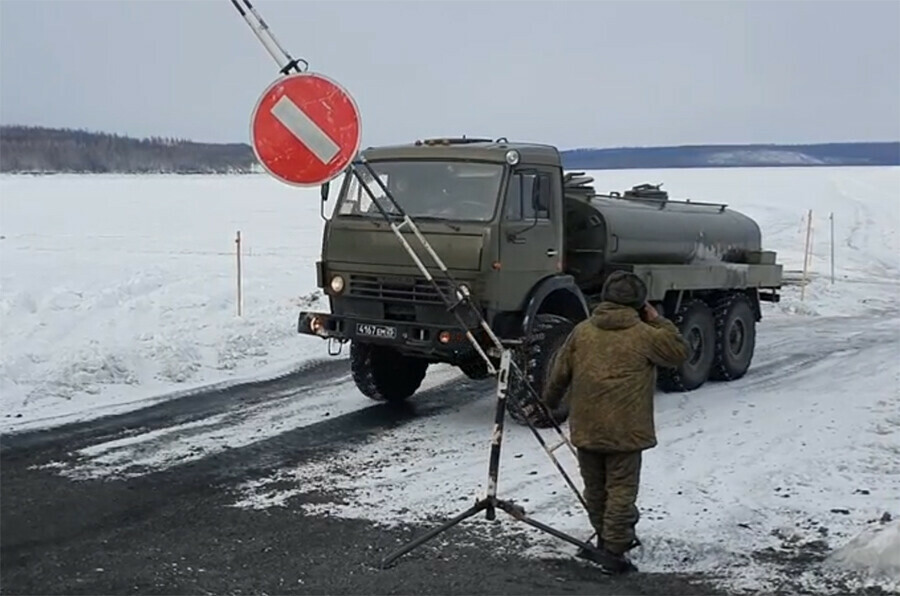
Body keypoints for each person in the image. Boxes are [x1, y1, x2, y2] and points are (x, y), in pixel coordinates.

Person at [540, 270, 689, 574]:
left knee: (595, 489)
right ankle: (615, 550)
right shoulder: (646, 334)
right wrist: (658, 319)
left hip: (587, 426)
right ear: (639, 303)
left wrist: (548, 403)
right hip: (626, 429)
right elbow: (680, 352)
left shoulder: (582, 332)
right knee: (621, 489)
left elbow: (559, 373)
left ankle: (606, 540)